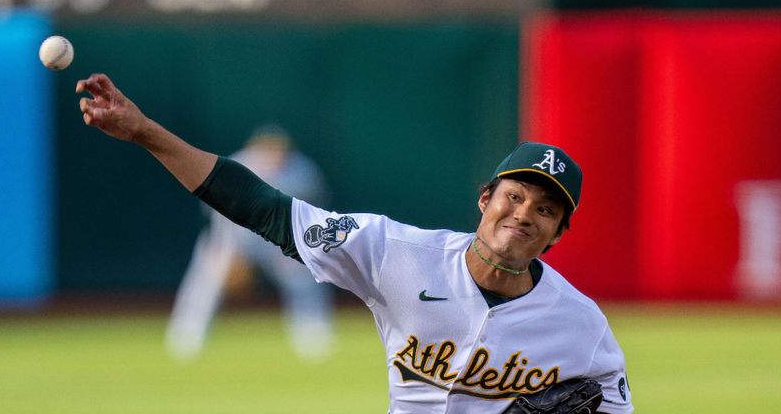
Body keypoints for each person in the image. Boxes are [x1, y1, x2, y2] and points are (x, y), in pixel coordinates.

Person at [76, 73, 633, 413]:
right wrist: (145, 131)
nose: (525, 214)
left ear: (559, 233)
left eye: (546, 208)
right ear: (485, 198)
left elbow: (610, 401)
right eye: (515, 195)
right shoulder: (394, 252)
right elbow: (262, 208)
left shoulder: (581, 325)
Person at [165, 124, 334, 361]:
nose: (275, 155)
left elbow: (315, 210)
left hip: (278, 239)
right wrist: (230, 253)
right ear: (255, 149)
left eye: (279, 150)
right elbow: (217, 213)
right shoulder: (239, 166)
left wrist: (302, 247)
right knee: (208, 274)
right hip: (235, 235)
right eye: (268, 149)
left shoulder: (302, 171)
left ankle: (313, 335)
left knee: (304, 273)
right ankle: (187, 337)